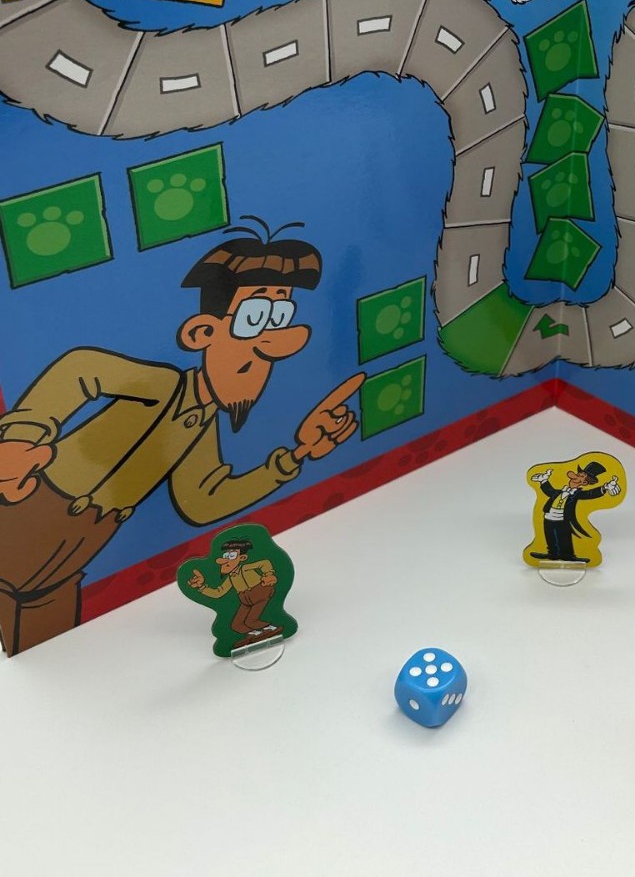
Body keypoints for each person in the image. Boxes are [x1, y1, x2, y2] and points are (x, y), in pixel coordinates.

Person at [0, 220, 363, 654]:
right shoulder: (162, 385)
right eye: (254, 318)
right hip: (27, 508)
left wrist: (296, 455)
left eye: (280, 317)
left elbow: (202, 500)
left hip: (71, 561)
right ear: (202, 332)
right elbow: (82, 370)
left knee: (51, 657)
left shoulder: (201, 426)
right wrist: (21, 436)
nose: (270, 342)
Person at [187, 537, 280, 649]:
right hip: (245, 600)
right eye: (226, 555)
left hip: (259, 593)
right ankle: (254, 634)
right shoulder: (231, 577)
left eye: (232, 555)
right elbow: (218, 592)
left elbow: (264, 563)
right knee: (236, 625)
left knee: (251, 620)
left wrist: (269, 574)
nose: (226, 559)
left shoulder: (245, 568)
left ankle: (271, 628)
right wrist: (201, 587)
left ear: (242, 558)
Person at [529, 460, 621, 564]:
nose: (576, 476)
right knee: (550, 536)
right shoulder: (560, 491)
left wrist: (605, 487)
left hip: (562, 519)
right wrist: (543, 480)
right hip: (548, 517)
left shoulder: (577, 494)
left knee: (564, 537)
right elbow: (549, 491)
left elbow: (590, 493)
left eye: (581, 476)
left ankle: (568, 556)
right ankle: (552, 554)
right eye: (579, 474)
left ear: (584, 482)